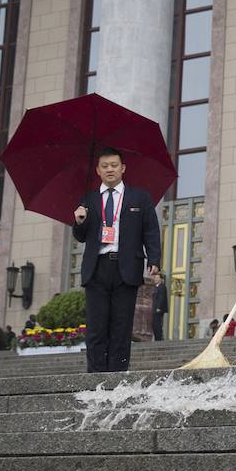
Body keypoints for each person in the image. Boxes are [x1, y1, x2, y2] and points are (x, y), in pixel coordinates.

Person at [72, 146, 161, 373]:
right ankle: (95, 376)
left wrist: (154, 259)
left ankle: (117, 375)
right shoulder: (88, 200)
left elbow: (150, 230)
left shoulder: (140, 198)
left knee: (121, 327)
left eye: (114, 165)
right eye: (105, 166)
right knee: (96, 327)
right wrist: (80, 220)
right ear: (98, 171)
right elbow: (80, 237)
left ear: (123, 168)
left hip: (126, 268)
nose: (110, 169)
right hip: (97, 269)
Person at [151, 272, 168, 341]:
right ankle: (157, 337)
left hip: (158, 309)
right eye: (155, 277)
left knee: (157, 324)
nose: (155, 279)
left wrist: (159, 307)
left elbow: (162, 298)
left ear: (161, 279)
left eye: (157, 278)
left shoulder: (162, 287)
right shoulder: (156, 287)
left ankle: (159, 338)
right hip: (155, 308)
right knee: (154, 324)